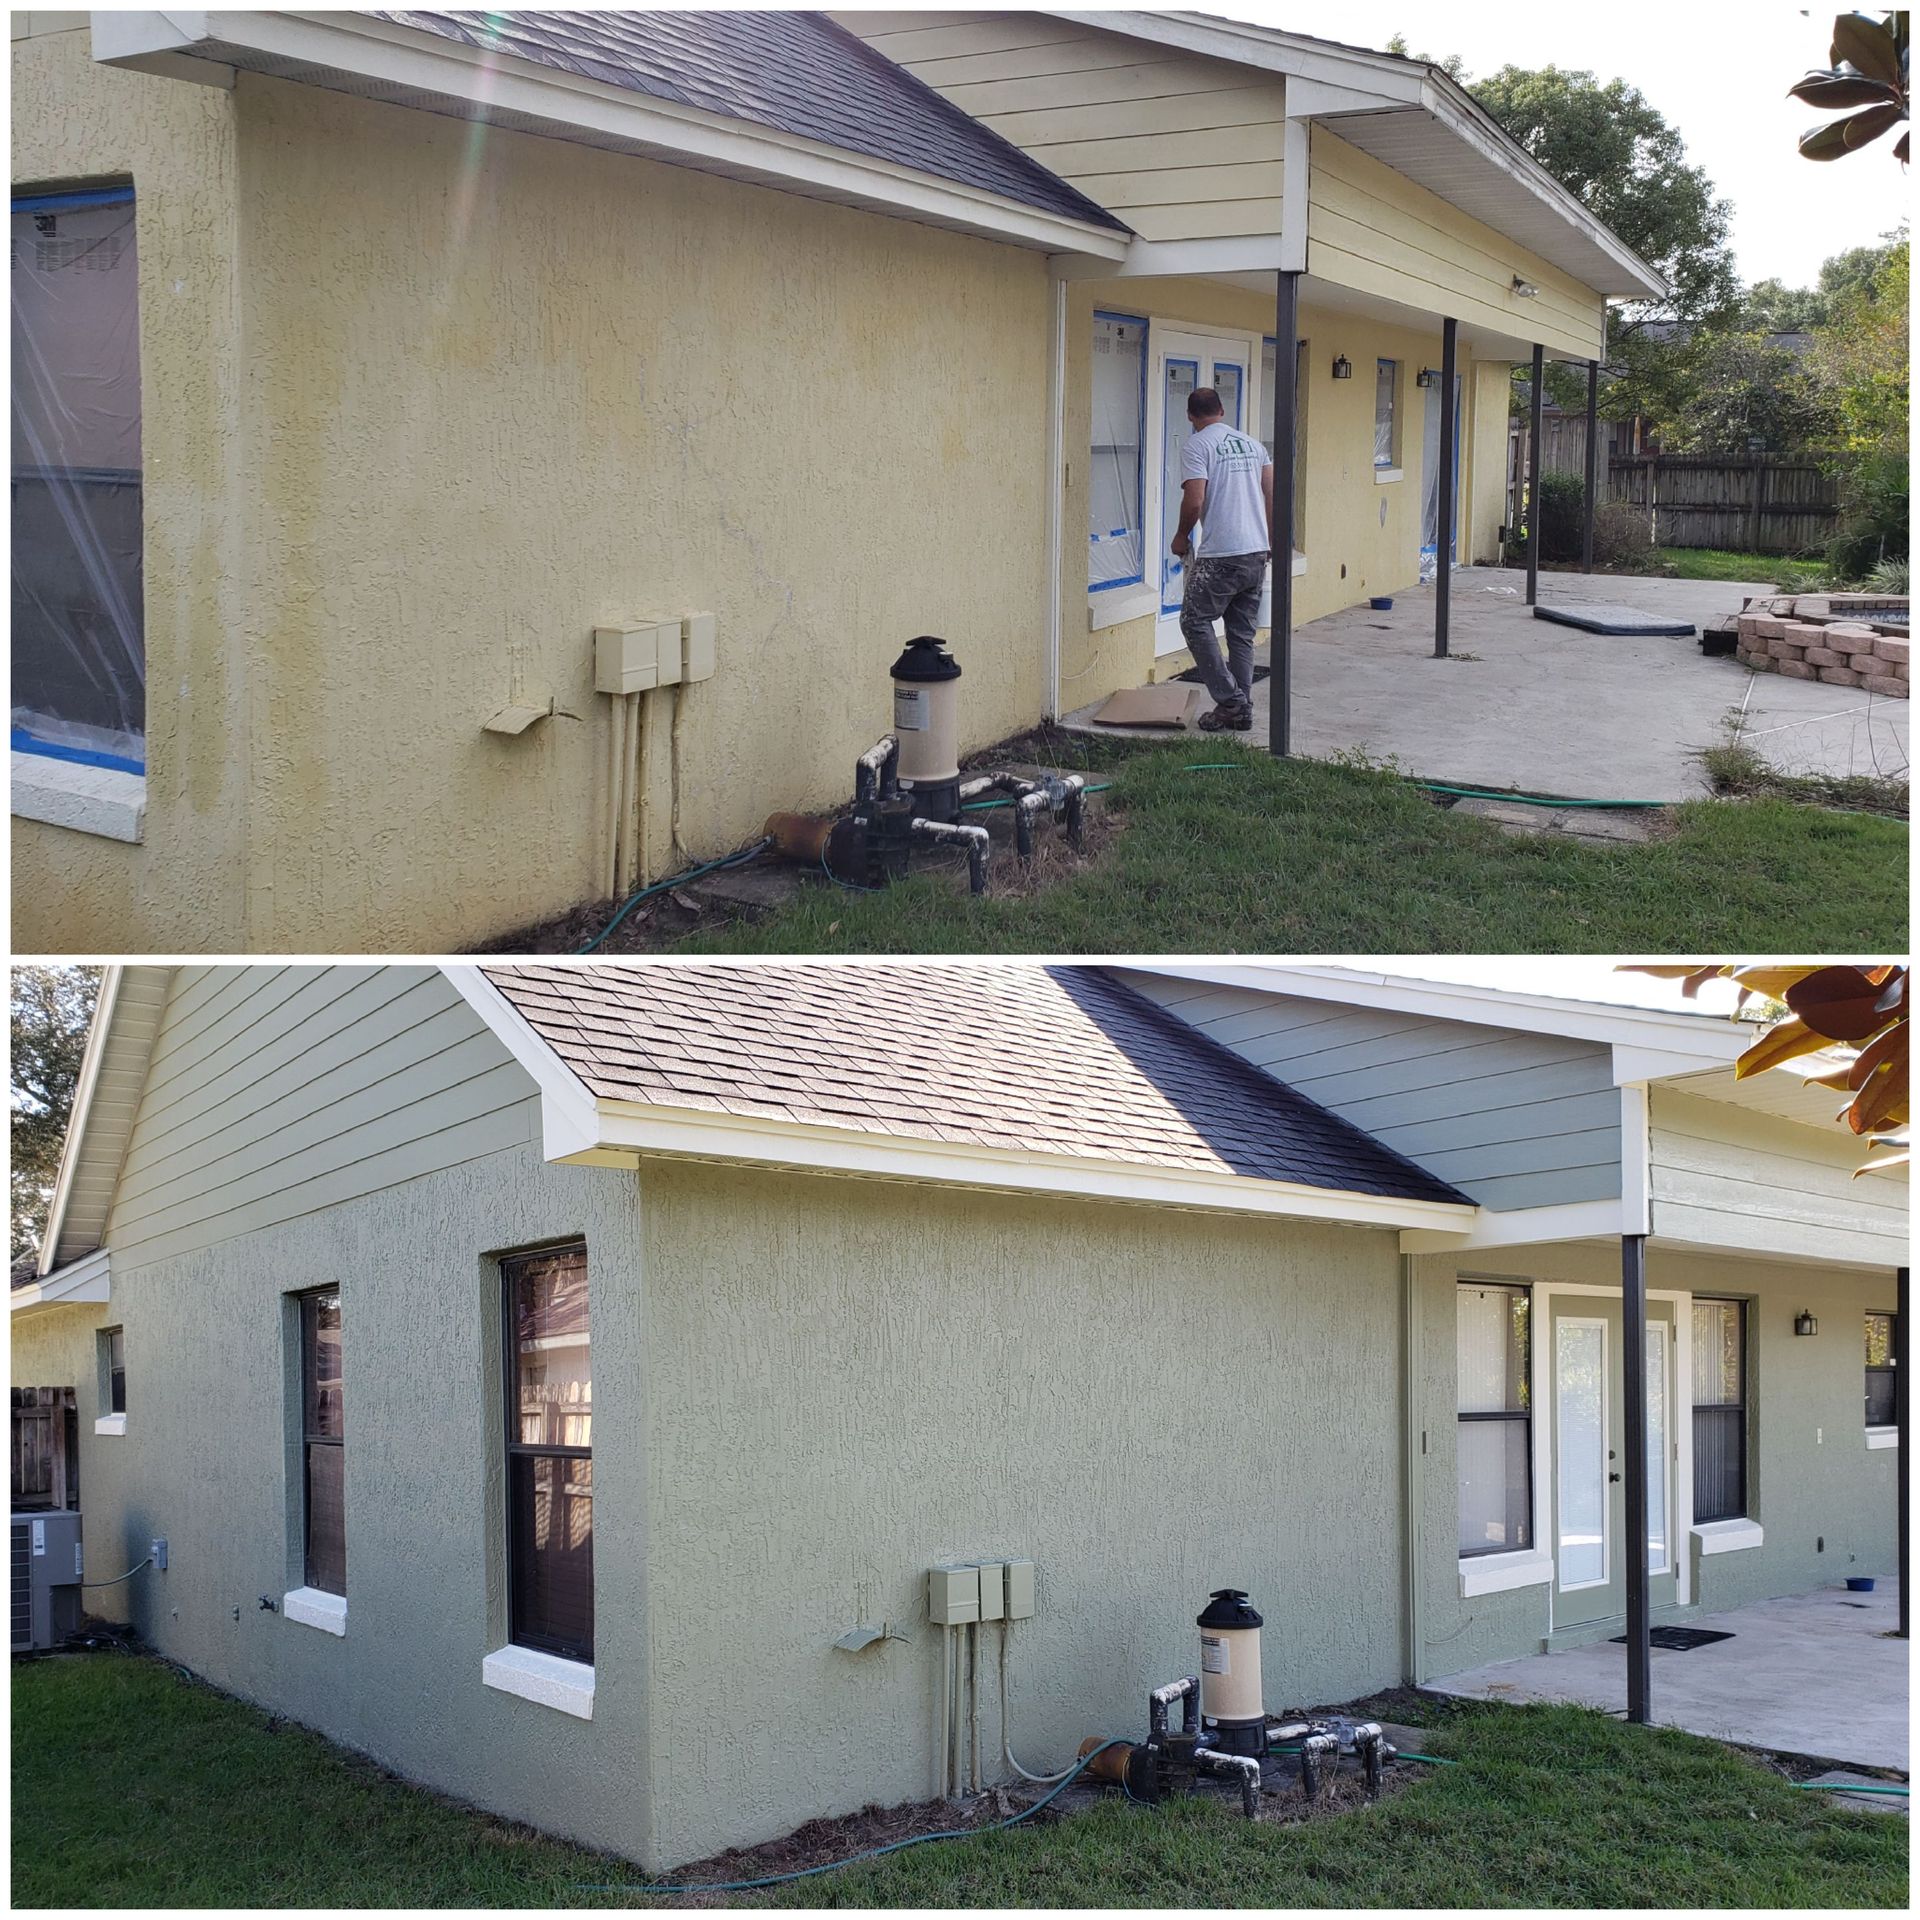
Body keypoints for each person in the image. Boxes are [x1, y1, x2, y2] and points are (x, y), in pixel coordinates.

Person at [1169, 387, 1274, 732]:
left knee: (1193, 621)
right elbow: (1271, 495)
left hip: (1223, 555)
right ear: (1222, 411)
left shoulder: (1198, 445)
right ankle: (1240, 710)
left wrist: (1182, 535)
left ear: (1190, 416)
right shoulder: (1253, 445)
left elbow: (1195, 500)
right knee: (1241, 634)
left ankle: (1231, 701)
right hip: (1255, 552)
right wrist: (1269, 542)